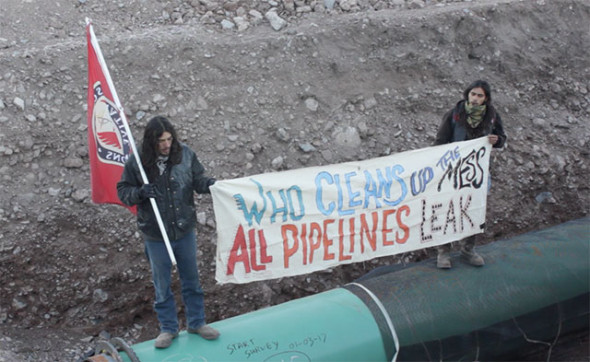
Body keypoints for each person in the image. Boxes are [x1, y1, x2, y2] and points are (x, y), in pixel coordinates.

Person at [117, 116, 220, 348]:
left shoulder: (185, 154)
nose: (166, 145)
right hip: (156, 234)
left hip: (184, 229)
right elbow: (123, 191)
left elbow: (198, 180)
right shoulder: (138, 162)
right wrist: (141, 193)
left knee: (191, 280)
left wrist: (214, 185)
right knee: (162, 284)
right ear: (151, 141)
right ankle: (168, 328)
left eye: (169, 139)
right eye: (161, 141)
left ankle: (197, 322)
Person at [434, 80, 507, 269]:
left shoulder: (491, 117)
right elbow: (440, 142)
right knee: (449, 210)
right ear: (467, 95)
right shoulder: (454, 115)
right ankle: (444, 252)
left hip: (478, 174)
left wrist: (496, 140)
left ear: (486, 99)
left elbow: (501, 139)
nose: (475, 99)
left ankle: (468, 250)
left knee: (473, 211)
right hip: (454, 173)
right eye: (473, 94)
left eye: (480, 95)